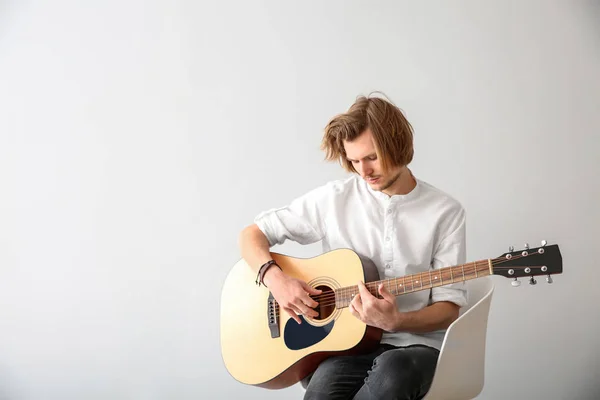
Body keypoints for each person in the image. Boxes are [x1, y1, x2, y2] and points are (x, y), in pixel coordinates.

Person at [238, 92, 468, 400]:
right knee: (323, 389)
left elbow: (448, 309)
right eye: (354, 160)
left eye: (372, 158)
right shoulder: (334, 199)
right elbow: (252, 235)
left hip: (416, 347)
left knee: (394, 372)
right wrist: (276, 280)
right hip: (346, 345)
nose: (364, 171)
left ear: (398, 146)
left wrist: (397, 320)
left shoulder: (445, 211)